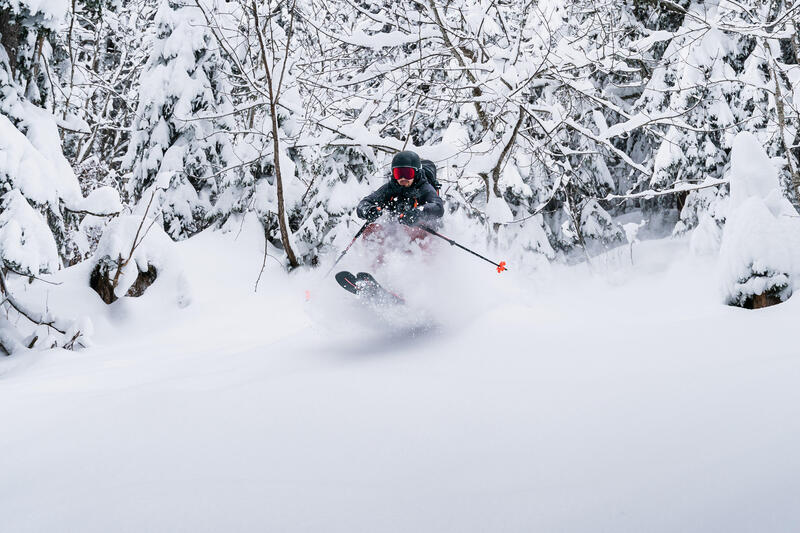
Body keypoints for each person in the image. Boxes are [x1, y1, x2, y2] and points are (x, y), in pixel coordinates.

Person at [356, 151, 444, 227]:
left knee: (418, 233)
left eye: (408, 173)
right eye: (398, 173)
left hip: (423, 228)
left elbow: (438, 207)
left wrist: (418, 213)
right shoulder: (391, 187)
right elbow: (364, 203)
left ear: (416, 173)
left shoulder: (424, 188)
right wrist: (368, 210)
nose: (402, 178)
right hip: (395, 229)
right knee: (371, 230)